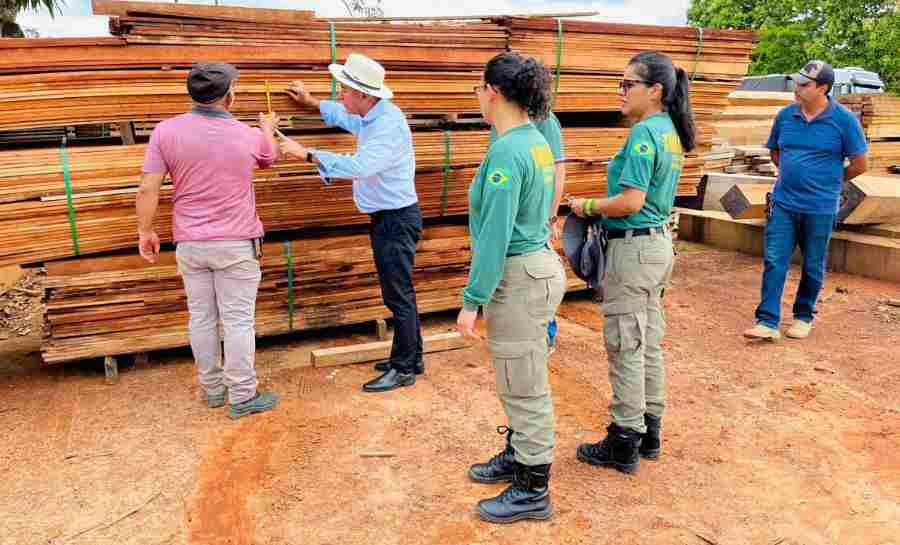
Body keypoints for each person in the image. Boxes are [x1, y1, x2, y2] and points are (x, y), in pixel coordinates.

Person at [568, 51, 695, 474]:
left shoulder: (643, 135)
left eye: (627, 84)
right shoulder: (670, 132)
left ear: (654, 90)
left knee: (625, 342)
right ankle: (650, 431)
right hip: (658, 246)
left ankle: (623, 441)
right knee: (647, 340)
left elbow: (629, 201)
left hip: (635, 249)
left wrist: (585, 206)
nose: (620, 92)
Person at [136, 63, 280, 419]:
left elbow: (147, 186)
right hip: (236, 244)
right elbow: (269, 158)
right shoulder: (246, 135)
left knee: (200, 318)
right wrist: (268, 129)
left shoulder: (165, 132)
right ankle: (242, 395)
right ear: (228, 94)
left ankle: (213, 389)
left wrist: (145, 230)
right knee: (237, 321)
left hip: (190, 244)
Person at [457, 52, 566, 524]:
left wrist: (471, 301)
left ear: (494, 92)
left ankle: (533, 488)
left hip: (519, 276)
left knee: (524, 384)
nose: (477, 95)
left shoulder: (508, 149)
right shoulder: (533, 140)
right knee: (520, 377)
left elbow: (495, 234)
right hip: (533, 268)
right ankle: (520, 455)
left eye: (479, 88)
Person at [280, 53, 424, 393]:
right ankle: (411, 356)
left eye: (344, 90)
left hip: (395, 220)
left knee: (398, 295)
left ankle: (404, 368)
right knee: (400, 292)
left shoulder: (386, 127)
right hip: (390, 217)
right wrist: (313, 103)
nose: (340, 95)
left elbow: (359, 166)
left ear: (365, 94)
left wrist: (308, 154)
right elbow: (348, 118)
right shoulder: (375, 114)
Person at [743, 60, 868, 341]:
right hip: (784, 202)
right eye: (797, 83)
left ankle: (803, 316)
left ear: (823, 88)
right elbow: (776, 153)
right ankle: (767, 321)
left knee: (812, 263)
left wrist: (831, 181)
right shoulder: (785, 116)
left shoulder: (844, 121)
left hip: (820, 206)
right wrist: (793, 173)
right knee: (775, 260)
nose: (797, 89)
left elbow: (860, 164)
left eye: (804, 85)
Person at [490, 112, 566, 349]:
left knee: (537, 278)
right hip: (511, 215)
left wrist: (551, 216)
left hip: (535, 219)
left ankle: (546, 336)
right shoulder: (499, 122)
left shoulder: (545, 121)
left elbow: (557, 170)